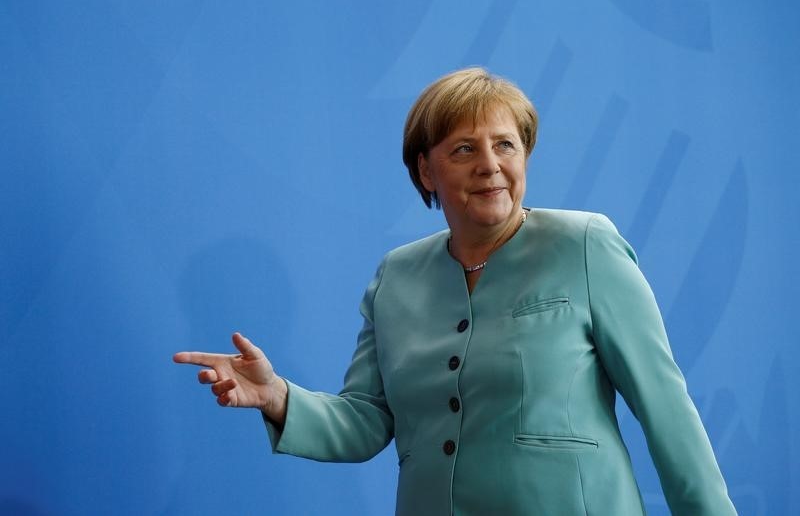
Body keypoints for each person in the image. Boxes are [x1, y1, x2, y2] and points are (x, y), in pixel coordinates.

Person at [174, 67, 737, 515]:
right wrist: (277, 398)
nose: (491, 166)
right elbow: (366, 420)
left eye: (506, 145)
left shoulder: (584, 244)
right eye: (464, 149)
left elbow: (667, 411)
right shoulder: (396, 276)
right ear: (426, 170)